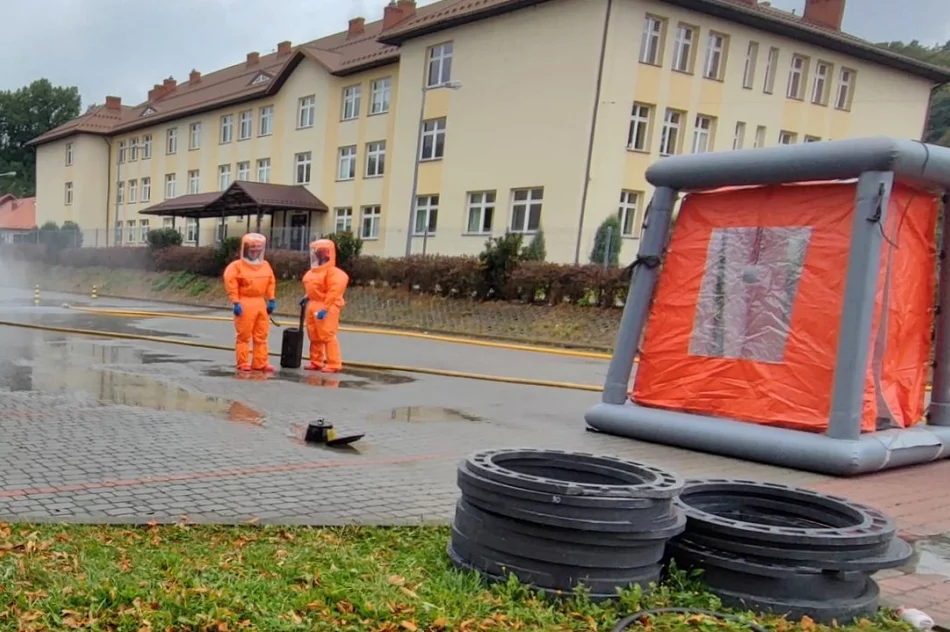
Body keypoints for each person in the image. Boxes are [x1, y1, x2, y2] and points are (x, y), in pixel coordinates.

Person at [223, 233, 277, 372]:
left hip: (260, 302)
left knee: (261, 335)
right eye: (252, 248)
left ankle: (261, 362)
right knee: (244, 335)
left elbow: (271, 282)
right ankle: (243, 362)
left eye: (258, 248)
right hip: (245, 302)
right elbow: (231, 284)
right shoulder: (236, 266)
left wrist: (271, 299)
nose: (255, 251)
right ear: (245, 248)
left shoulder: (265, 265)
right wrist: (235, 302)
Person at [300, 238, 349, 373]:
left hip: (327, 307)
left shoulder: (334, 273)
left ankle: (334, 363)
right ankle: (316, 361)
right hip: (313, 305)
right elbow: (314, 288)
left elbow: (333, 292)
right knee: (314, 336)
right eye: (317, 253)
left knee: (327, 335)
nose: (319, 256)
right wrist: (306, 297)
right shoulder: (313, 272)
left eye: (322, 253)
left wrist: (325, 308)